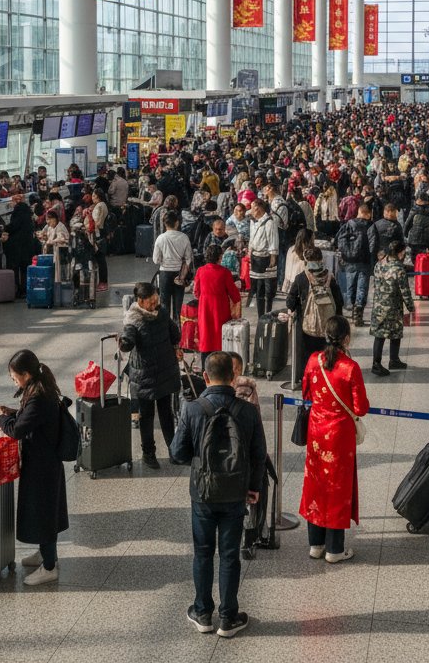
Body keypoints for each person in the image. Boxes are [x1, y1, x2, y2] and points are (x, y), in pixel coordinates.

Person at [169, 350, 267, 638]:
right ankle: (228, 616)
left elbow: (177, 453)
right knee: (229, 555)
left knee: (202, 552)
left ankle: (202, 613)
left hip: (203, 492)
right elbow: (259, 454)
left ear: (205, 376)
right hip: (236, 492)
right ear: (234, 376)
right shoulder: (247, 411)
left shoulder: (193, 409)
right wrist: (254, 488)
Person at [299, 314, 369, 563]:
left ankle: (315, 544)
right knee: (337, 488)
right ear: (346, 339)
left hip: (316, 431)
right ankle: (334, 549)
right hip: (340, 436)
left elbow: (306, 392)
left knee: (316, 484)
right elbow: (360, 408)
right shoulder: (350, 368)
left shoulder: (312, 360)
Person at [0, 350, 69, 585]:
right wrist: (15, 413)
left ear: (26, 374)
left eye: (14, 376)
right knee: (46, 510)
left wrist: (2, 420)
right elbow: (31, 418)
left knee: (43, 512)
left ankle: (49, 567)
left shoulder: (38, 396)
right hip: (45, 460)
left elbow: (17, 430)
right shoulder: (40, 387)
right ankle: (46, 553)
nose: (13, 380)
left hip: (42, 464)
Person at [119, 282, 182, 469]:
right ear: (140, 301)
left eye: (157, 299)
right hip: (144, 375)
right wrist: (123, 343)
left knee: (166, 413)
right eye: (152, 301)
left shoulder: (161, 312)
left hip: (164, 370)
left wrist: (176, 343)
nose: (156, 303)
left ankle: (174, 450)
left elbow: (174, 333)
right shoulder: (133, 320)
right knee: (146, 416)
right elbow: (128, 340)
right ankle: (148, 453)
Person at [286, 247, 344, 383]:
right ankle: (327, 378)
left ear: (306, 261)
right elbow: (339, 301)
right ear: (321, 259)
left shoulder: (301, 278)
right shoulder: (330, 277)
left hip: (307, 327)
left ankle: (307, 379)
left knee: (307, 357)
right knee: (326, 355)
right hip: (328, 327)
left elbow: (290, 302)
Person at [368, 240, 414, 376]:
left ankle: (381, 362)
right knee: (395, 333)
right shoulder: (399, 269)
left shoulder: (379, 264)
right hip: (393, 307)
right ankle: (391, 360)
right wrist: (411, 307)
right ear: (401, 253)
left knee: (379, 335)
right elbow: (405, 291)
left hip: (378, 305)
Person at [192, 243, 241, 366]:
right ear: (220, 257)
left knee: (206, 339)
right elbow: (235, 295)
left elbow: (196, 293)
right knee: (220, 340)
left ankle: (206, 371)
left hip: (205, 310)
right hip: (220, 311)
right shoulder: (225, 272)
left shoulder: (200, 271)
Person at [336, 204, 377, 327]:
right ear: (368, 214)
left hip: (349, 261)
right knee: (362, 288)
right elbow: (373, 245)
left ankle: (352, 310)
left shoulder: (349, 224)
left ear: (359, 212)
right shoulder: (371, 226)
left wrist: (347, 253)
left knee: (351, 286)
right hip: (364, 261)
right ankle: (358, 314)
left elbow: (339, 239)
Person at [152, 209, 194, 323]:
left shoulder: (160, 238)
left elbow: (156, 260)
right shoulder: (184, 237)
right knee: (178, 305)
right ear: (177, 223)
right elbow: (188, 258)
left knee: (164, 304)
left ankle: (166, 330)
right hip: (179, 274)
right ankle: (177, 329)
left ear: (165, 224)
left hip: (164, 273)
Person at [247, 198, 279, 318]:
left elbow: (273, 240)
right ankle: (261, 315)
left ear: (259, 208)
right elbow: (251, 238)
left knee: (268, 289)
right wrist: (249, 252)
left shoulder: (269, 222)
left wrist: (273, 257)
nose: (251, 211)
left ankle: (268, 312)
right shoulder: (253, 221)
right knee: (258, 288)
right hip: (255, 257)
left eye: (253, 208)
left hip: (265, 258)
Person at [1, 188, 35, 298]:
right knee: (25, 268)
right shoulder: (27, 212)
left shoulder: (18, 211)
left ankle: (18, 290)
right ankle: (25, 289)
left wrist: (5, 228)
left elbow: (14, 225)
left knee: (16, 268)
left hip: (17, 246)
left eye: (12, 201)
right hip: (27, 244)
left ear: (16, 202)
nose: (11, 203)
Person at [403, 191, 429, 262]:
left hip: (415, 240)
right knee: (427, 260)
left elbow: (408, 223)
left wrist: (405, 233)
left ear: (420, 200)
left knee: (415, 259)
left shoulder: (415, 209)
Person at [89, 187, 110, 292]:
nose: (92, 197)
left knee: (100, 259)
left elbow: (98, 222)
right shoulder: (101, 205)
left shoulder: (100, 206)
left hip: (98, 235)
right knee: (100, 259)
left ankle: (103, 282)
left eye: (93, 195)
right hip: (100, 234)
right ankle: (102, 282)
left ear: (98, 196)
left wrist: (90, 227)